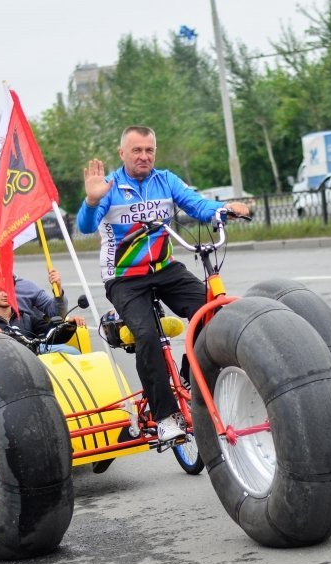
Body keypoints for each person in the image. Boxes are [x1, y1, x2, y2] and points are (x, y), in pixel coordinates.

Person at [77, 125, 250, 443]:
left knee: (212, 312)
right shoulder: (109, 187)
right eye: (137, 150)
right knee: (147, 336)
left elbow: (197, 206)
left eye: (149, 150)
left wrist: (224, 210)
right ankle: (165, 416)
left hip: (165, 268)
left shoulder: (166, 180)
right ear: (123, 154)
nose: (144, 156)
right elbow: (85, 226)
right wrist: (91, 199)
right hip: (125, 278)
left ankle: (190, 377)